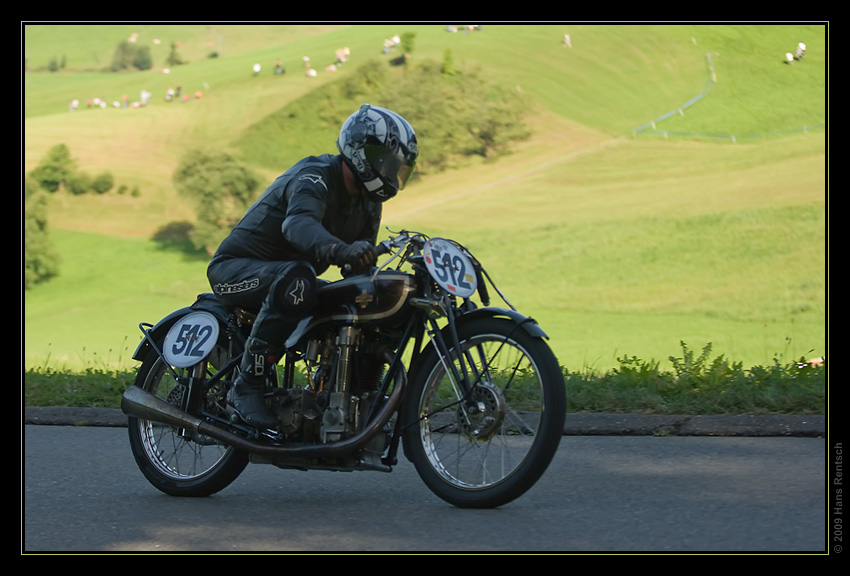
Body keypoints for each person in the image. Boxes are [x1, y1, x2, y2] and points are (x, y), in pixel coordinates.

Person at [207, 104, 419, 429]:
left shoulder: (368, 204)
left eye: (398, 168)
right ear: (362, 152)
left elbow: (355, 272)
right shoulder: (314, 175)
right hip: (235, 271)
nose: (391, 174)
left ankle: (338, 393)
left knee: (356, 297)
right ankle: (245, 386)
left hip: (289, 277)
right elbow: (298, 225)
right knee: (299, 279)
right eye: (387, 164)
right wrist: (341, 249)